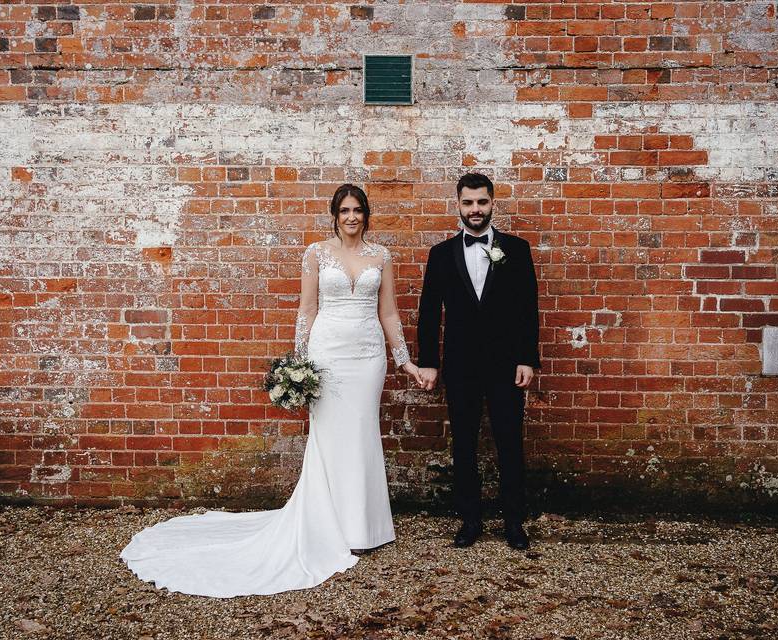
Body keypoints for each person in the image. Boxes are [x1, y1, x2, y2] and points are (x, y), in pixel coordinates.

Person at [121, 184, 422, 597]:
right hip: (328, 354)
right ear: (334, 215)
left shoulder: (382, 256)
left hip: (369, 357)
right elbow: (307, 310)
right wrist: (299, 364)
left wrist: (404, 360)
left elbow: (388, 312)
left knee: (362, 434)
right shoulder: (316, 253)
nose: (352, 217)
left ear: (366, 214)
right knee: (330, 439)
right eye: (345, 210)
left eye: (358, 210)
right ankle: (327, 526)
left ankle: (365, 526)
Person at [416, 172, 540, 550]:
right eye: (468, 203)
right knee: (464, 445)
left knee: (510, 444)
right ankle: (470, 522)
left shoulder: (517, 250)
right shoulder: (440, 254)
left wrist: (527, 359)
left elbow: (527, 309)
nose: (475, 209)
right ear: (457, 205)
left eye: (481, 202)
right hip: (460, 366)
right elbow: (428, 313)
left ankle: (514, 523)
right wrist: (429, 363)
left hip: (506, 366)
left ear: (492, 204)